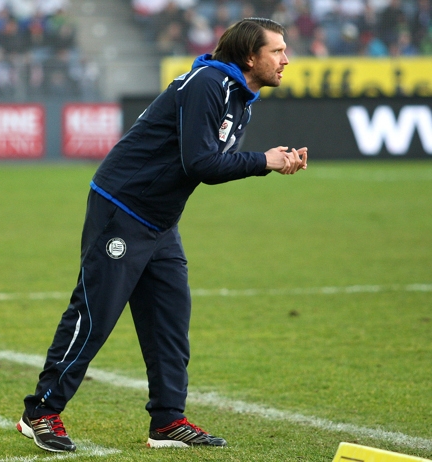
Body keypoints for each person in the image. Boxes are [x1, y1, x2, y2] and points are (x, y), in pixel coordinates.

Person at [17, 17, 307, 453]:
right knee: (95, 313)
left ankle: (168, 421)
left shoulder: (239, 94)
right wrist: (263, 160)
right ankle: (40, 412)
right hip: (123, 208)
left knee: (170, 318)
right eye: (277, 50)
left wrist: (268, 160)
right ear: (250, 56)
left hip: (159, 219)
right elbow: (201, 164)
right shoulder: (210, 83)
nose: (286, 59)